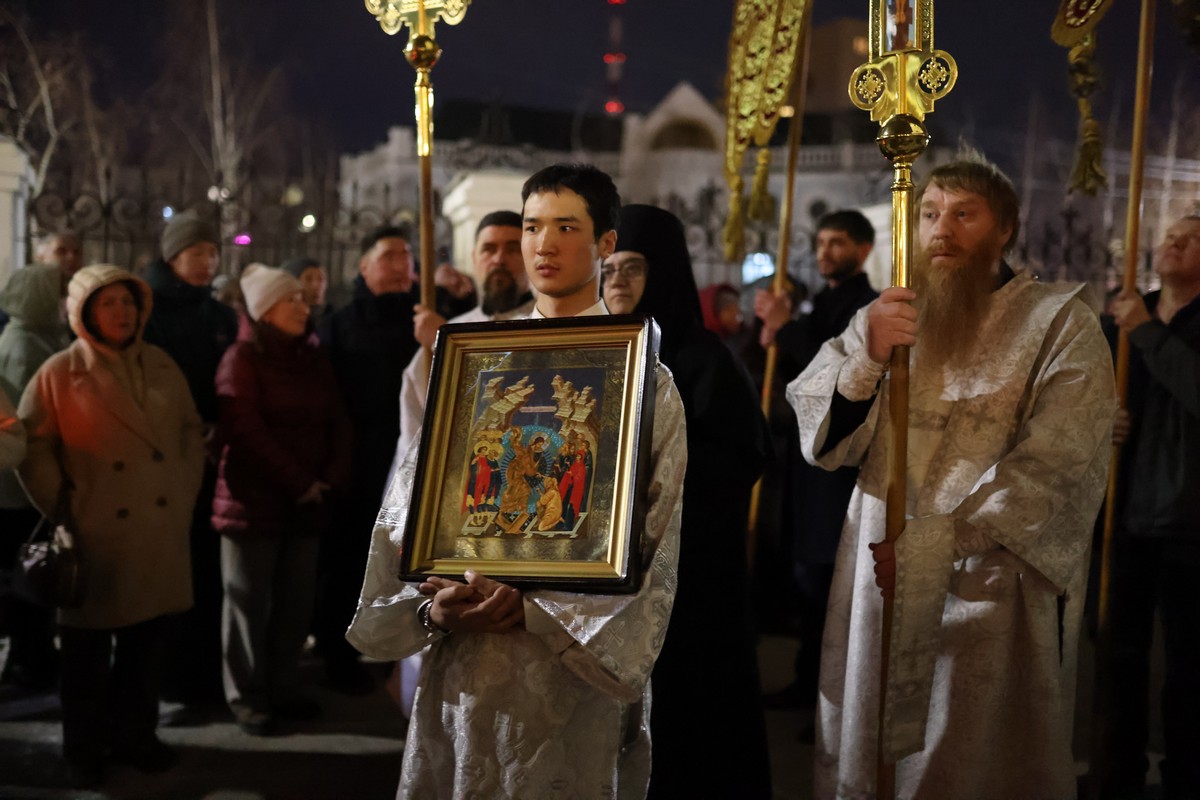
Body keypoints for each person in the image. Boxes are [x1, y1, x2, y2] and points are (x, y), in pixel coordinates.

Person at [347, 163, 686, 799]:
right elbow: (411, 506)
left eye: (566, 226)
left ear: (605, 243)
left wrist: (535, 610)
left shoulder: (645, 383)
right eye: (532, 226)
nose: (542, 244)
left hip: (570, 677)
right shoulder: (474, 362)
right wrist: (429, 603)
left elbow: (653, 545)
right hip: (466, 663)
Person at [788, 154, 1115, 796]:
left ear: (1005, 229)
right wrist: (869, 358)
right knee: (872, 739)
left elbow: (1059, 461)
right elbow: (820, 432)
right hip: (877, 558)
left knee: (965, 753)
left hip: (985, 575)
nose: (943, 229)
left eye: (965, 214)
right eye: (931, 213)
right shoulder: (891, 315)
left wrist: (943, 543)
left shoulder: (1059, 322)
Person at [602, 203, 772, 799]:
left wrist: (656, 468)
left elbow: (739, 459)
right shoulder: (595, 353)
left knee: (689, 728)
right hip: (607, 576)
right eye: (609, 269)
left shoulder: (705, 360)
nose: (618, 281)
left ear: (666, 272)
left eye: (634, 268)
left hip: (689, 576)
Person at [18, 265, 205, 789]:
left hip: (160, 528)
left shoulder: (162, 363)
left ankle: (136, 738)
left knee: (147, 651)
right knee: (86, 658)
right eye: (108, 304)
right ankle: (83, 747)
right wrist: (65, 506)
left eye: (127, 302)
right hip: (96, 532)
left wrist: (185, 485)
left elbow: (190, 430)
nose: (121, 313)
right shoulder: (58, 372)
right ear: (83, 313)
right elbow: (33, 448)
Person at [211, 264, 351, 736]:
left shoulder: (312, 357)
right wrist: (298, 481)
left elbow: (337, 418)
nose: (303, 305)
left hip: (308, 501)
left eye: (301, 298)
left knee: (295, 604)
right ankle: (248, 697)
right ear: (265, 310)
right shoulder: (241, 359)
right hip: (253, 501)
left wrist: (330, 476)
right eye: (290, 299)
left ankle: (285, 688)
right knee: (248, 605)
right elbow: (245, 429)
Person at [754, 210, 879, 717]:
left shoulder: (865, 307)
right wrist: (774, 333)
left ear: (865, 249)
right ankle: (809, 685)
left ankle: (836, 702)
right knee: (807, 585)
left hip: (839, 471)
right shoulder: (821, 303)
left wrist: (785, 330)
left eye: (839, 243)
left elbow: (833, 372)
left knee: (831, 584)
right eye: (821, 241)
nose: (825, 251)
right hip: (805, 470)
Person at [1103, 214, 1200, 799]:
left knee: (1188, 664)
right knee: (1119, 653)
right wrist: (1101, 422)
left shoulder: (1140, 321)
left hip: (1189, 518)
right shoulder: (1122, 316)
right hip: (1125, 510)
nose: (1175, 242)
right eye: (1170, 235)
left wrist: (1147, 332)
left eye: (1192, 238)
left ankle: (1186, 775)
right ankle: (1118, 771)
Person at [317, 224, 421, 693]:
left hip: (413, 459)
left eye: (406, 255)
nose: (401, 263)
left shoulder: (428, 317)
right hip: (358, 460)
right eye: (388, 255)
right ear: (363, 267)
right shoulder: (340, 323)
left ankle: (399, 652)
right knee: (348, 560)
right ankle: (340, 655)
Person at [143, 209, 238, 710]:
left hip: (213, 455)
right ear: (174, 254)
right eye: (199, 252)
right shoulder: (147, 309)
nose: (208, 262)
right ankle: (167, 678)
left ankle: (203, 677)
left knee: (206, 569)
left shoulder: (219, 314)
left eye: (213, 253)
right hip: (162, 456)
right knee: (166, 570)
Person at [397, 210, 536, 457]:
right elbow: (413, 427)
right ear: (474, 258)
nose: (499, 259)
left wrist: (448, 343)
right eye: (489, 249)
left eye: (512, 249)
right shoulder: (455, 326)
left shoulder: (545, 324)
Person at [0, 264, 70, 689]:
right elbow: (32, 420)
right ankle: (31, 660)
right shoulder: (26, 346)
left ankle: (30, 657)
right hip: (18, 488)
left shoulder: (33, 339)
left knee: (24, 574)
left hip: (14, 485)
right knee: (28, 574)